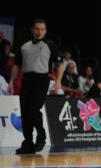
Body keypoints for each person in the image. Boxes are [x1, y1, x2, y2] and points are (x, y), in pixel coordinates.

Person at [9, 18, 64, 154]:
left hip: (41, 80)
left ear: (45, 32)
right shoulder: (24, 46)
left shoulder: (50, 45)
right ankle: (27, 142)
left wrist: (58, 81)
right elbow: (17, 65)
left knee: (34, 110)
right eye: (37, 28)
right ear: (32, 30)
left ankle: (41, 137)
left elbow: (60, 65)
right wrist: (11, 81)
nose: (40, 31)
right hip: (27, 79)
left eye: (42, 29)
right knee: (25, 112)